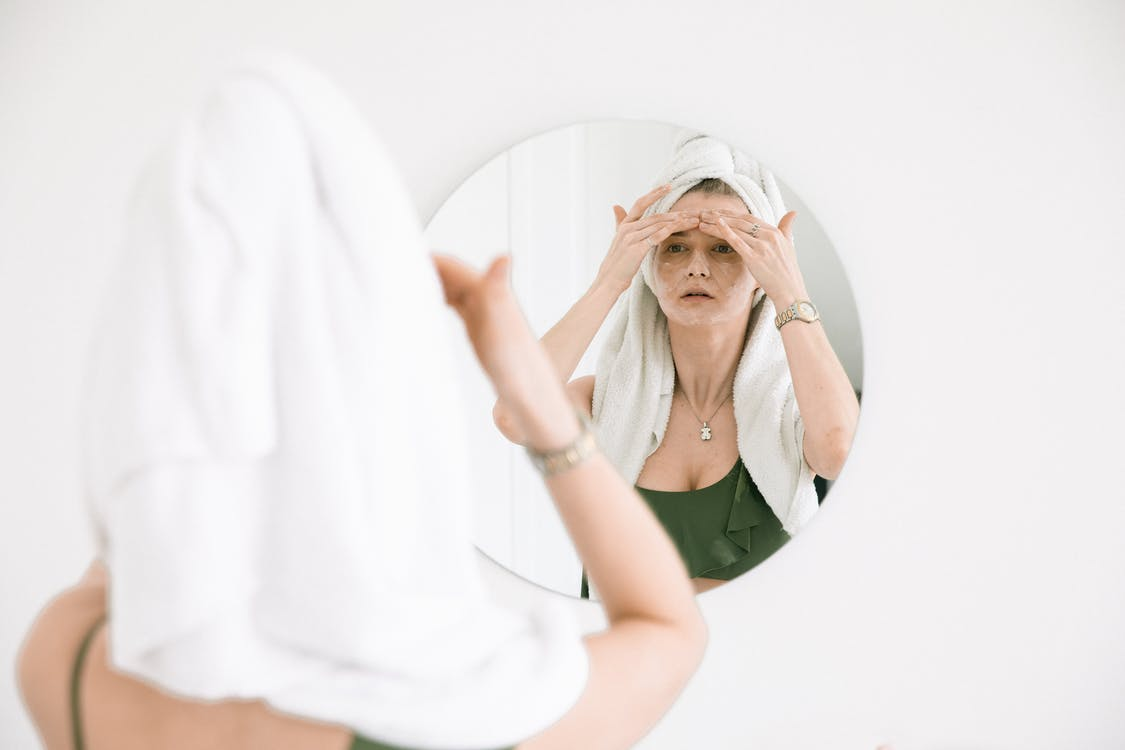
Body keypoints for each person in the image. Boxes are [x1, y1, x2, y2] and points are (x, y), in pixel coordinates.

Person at [16, 58, 706, 750]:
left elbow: (163, 453)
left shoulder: (68, 658)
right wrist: (536, 399)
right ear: (392, 380)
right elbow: (669, 629)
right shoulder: (479, 706)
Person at [493, 134, 861, 596]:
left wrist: (790, 292)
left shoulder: (790, 408)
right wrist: (610, 282)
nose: (697, 267)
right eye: (675, 246)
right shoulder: (604, 405)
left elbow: (837, 450)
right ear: (648, 266)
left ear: (764, 270)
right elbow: (513, 416)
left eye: (724, 248)